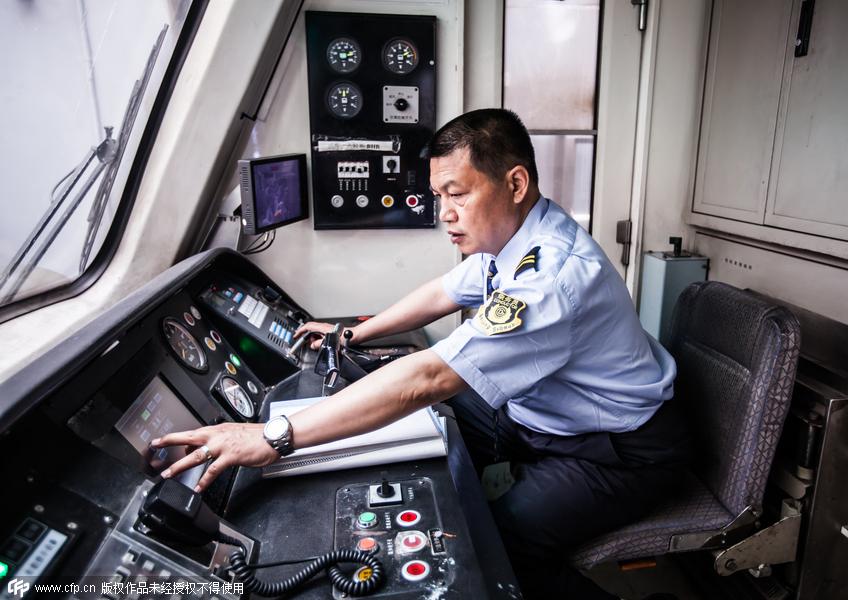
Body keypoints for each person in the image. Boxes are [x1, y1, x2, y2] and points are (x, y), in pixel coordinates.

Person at [152, 108, 691, 599]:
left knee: (503, 541)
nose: (445, 214)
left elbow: (428, 377)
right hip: (546, 413)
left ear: (516, 183)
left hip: (617, 450)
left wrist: (275, 437)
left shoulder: (550, 278)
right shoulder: (515, 236)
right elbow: (443, 292)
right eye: (439, 198)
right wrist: (352, 336)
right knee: (439, 420)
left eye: (457, 194)